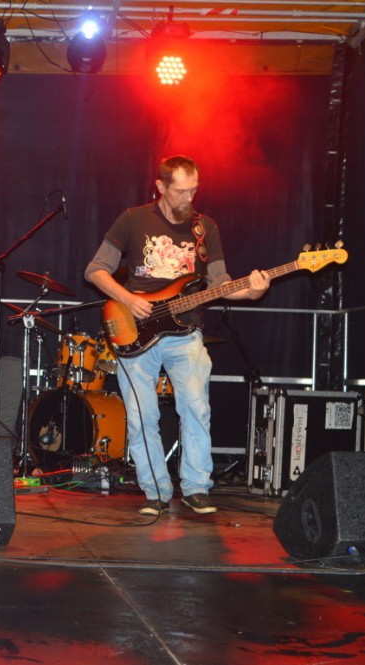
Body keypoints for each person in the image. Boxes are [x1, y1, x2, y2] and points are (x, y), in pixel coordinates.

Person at [85, 155, 271, 516]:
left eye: (194, 190)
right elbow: (95, 270)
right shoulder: (132, 219)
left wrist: (251, 291)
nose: (189, 197)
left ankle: (196, 488)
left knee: (197, 408)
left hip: (185, 332)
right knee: (142, 417)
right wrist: (128, 298)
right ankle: (155, 492)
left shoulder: (205, 228)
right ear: (160, 187)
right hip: (134, 329)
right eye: (181, 191)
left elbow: (219, 283)